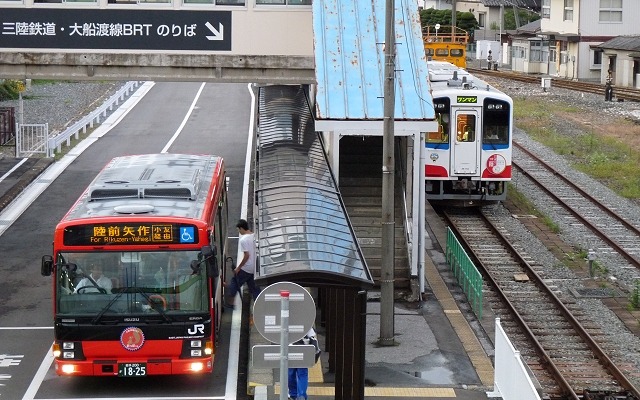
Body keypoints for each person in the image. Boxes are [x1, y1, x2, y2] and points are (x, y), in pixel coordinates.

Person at [224, 219, 261, 308]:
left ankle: (230, 302)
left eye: (238, 229)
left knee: (235, 282)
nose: (238, 232)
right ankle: (259, 304)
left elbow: (247, 255)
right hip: (254, 267)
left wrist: (238, 268)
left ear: (241, 228)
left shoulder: (243, 240)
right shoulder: (254, 236)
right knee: (254, 287)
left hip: (246, 268)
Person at [288, 327, 320, 400]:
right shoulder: (306, 322)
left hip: (290, 351)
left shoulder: (287, 321)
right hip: (304, 351)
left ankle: (294, 394)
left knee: (290, 374)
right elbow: (312, 336)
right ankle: (301, 395)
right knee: (301, 374)